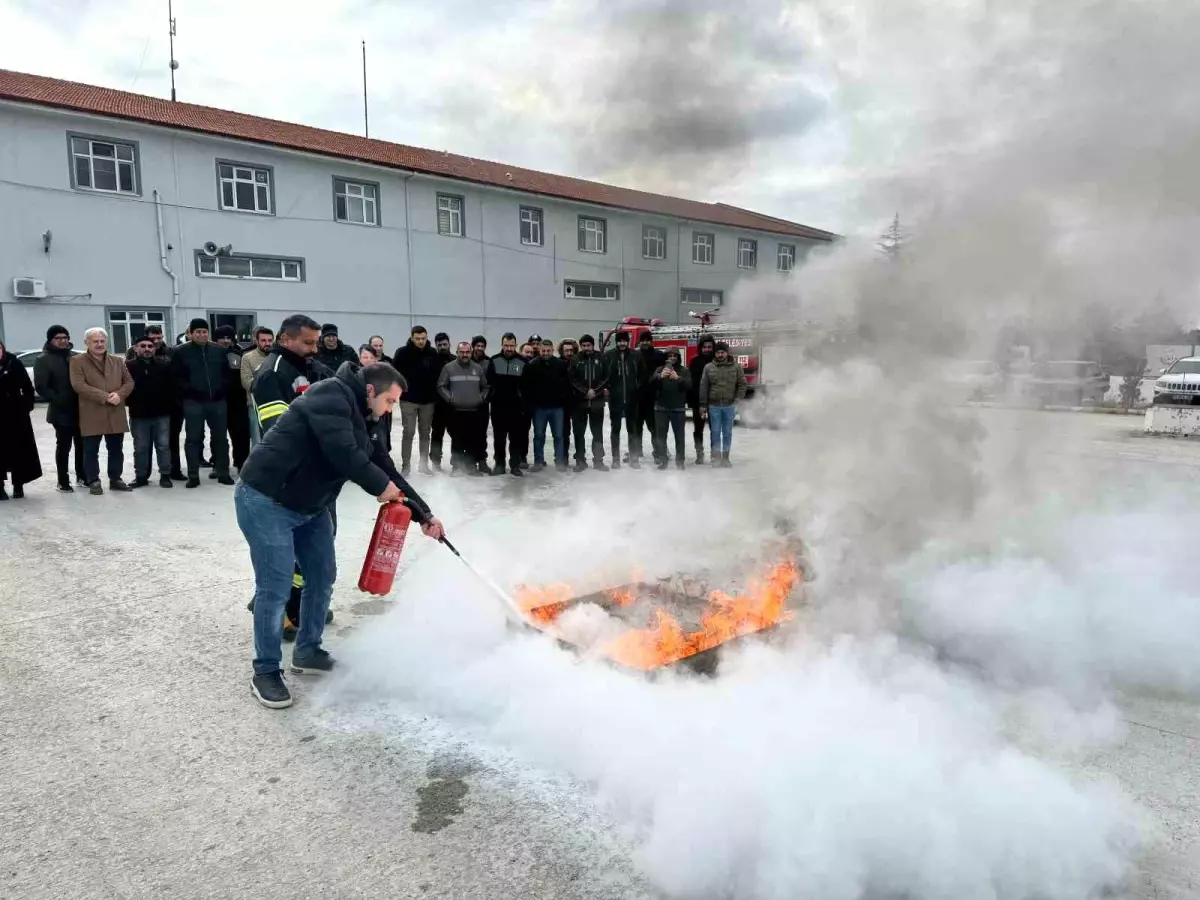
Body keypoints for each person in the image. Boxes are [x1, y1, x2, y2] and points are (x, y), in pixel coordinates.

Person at [237, 361, 445, 709]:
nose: (390, 409)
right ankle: (266, 670)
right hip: (267, 498)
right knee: (275, 587)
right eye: (390, 401)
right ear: (370, 391)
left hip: (311, 504)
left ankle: (307, 651)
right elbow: (343, 454)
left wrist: (423, 514)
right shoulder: (329, 396)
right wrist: (381, 488)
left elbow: (384, 467)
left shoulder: (368, 416)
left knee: (321, 577)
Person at [250, 314, 332, 640]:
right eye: (307, 343)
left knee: (316, 549)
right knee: (290, 554)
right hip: (285, 479)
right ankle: (285, 611)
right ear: (286, 339)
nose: (314, 349)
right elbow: (279, 433)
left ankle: (303, 604)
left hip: (316, 478)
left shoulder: (308, 368)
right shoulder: (271, 376)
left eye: (316, 342)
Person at [69, 327, 134, 494]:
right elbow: (78, 385)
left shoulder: (118, 361)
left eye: (102, 341)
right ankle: (93, 480)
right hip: (92, 411)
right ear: (86, 343)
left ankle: (115, 479)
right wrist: (105, 396)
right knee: (91, 450)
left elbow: (129, 382)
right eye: (95, 341)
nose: (99, 344)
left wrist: (120, 394)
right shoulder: (77, 361)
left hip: (115, 411)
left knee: (116, 449)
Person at [172, 318, 233, 488]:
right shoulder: (180, 351)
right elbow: (176, 377)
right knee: (193, 439)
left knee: (221, 438)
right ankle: (193, 476)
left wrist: (222, 390)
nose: (201, 334)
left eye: (204, 331)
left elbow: (227, 374)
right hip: (194, 402)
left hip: (217, 402)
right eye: (197, 331)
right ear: (190, 333)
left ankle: (223, 472)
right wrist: (189, 392)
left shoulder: (219, 350)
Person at [33, 325, 87, 491]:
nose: (63, 341)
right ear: (51, 340)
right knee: (64, 446)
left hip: (81, 409)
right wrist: (59, 400)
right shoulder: (44, 359)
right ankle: (63, 481)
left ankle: (82, 476)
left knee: (82, 445)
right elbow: (42, 387)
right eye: (58, 338)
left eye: (65, 337)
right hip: (61, 411)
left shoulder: (76, 357)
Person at [125, 335, 178, 488]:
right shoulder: (128, 367)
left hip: (161, 415)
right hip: (139, 415)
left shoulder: (163, 366)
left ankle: (165, 475)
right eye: (143, 346)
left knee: (163, 446)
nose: (147, 349)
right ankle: (141, 477)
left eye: (150, 346)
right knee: (141, 448)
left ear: (154, 349)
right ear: (135, 348)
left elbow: (172, 389)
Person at [392, 325, 442, 476]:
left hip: (428, 401)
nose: (421, 341)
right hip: (408, 399)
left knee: (425, 433)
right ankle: (406, 465)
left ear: (427, 338)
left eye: (423, 338)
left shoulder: (432, 353)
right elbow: (395, 374)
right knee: (409, 431)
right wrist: (400, 392)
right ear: (412, 337)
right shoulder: (402, 353)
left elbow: (437, 374)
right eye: (417, 338)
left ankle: (423, 464)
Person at [437, 341, 490, 475]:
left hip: (474, 411)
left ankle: (471, 466)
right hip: (456, 411)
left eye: (467, 352)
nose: (465, 354)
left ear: (470, 352)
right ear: (457, 353)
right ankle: (457, 467)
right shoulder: (448, 368)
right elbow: (441, 386)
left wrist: (481, 398)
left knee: (473, 439)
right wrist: (450, 399)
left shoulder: (477, 368)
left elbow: (486, 387)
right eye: (462, 352)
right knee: (457, 440)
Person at [0, 339, 42, 500]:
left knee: (18, 449)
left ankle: (18, 485)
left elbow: (27, 386)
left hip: (15, 413)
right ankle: (0, 487)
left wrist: (26, 405)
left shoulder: (13, 363)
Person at [522, 339, 570, 472]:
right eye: (543, 351)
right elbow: (526, 387)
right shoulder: (532, 365)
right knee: (539, 435)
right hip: (539, 408)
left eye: (548, 351)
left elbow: (566, 385)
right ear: (540, 350)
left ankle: (559, 461)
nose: (546, 353)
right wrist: (530, 404)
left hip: (557, 408)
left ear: (553, 350)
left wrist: (563, 400)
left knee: (559, 436)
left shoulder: (561, 365)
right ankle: (538, 461)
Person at [698, 341, 748, 468]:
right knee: (715, 432)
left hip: (729, 406)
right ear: (715, 353)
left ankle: (726, 458)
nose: (720, 355)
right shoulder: (708, 367)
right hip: (713, 406)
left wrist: (737, 401)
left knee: (727, 433)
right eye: (718, 352)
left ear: (727, 352)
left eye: (722, 352)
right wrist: (703, 405)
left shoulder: (736, 367)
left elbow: (742, 385)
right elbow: (703, 386)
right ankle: (716, 458)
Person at [485, 333, 529, 477]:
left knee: (516, 438)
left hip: (517, 408)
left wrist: (524, 403)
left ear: (516, 345)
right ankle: (499, 464)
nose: (509, 348)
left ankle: (515, 465)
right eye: (506, 345)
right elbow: (488, 383)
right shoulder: (494, 360)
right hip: (499, 407)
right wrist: (491, 397)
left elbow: (528, 385)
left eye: (511, 345)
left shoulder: (522, 362)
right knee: (499, 438)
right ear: (502, 345)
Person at [603, 331, 646, 469]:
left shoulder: (636, 355)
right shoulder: (609, 355)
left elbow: (643, 375)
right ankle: (616, 459)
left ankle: (634, 458)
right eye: (619, 341)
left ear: (628, 342)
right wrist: (607, 389)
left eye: (624, 341)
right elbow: (604, 375)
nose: (622, 343)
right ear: (616, 342)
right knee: (615, 429)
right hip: (615, 399)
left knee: (632, 429)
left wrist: (637, 389)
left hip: (632, 398)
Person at [568, 334, 610, 472]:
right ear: (581, 347)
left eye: (589, 345)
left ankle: (598, 460)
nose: (586, 348)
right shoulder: (575, 359)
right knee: (579, 433)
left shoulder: (601, 358)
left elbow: (606, 377)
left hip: (597, 402)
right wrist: (585, 391)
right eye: (584, 346)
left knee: (597, 433)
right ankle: (580, 461)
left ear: (593, 345)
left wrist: (596, 391)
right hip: (579, 403)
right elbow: (572, 379)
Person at [214, 325, 250, 474]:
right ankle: (218, 465)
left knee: (241, 435)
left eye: (228, 337)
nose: (225, 341)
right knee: (218, 436)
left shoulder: (240, 354)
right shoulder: (211, 354)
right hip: (217, 401)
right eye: (222, 338)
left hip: (238, 401)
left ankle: (242, 463)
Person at [651, 348, 692, 470]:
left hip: (678, 409)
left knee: (679, 437)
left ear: (678, 357)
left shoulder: (684, 370)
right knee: (660, 437)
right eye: (669, 356)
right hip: (661, 409)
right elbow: (651, 384)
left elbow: (689, 386)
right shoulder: (659, 369)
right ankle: (663, 460)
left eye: (675, 355)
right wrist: (659, 377)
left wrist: (678, 378)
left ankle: (680, 462)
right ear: (666, 358)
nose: (672, 358)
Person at [240, 326, 274, 446]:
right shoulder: (248, 357)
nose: (267, 343)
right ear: (257, 341)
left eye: (270, 341)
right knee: (258, 440)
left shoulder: (277, 357)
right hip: (256, 406)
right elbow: (246, 382)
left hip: (276, 405)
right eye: (263, 340)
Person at [635, 331, 666, 458]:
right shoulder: (634, 355)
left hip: (654, 397)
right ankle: (636, 451)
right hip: (637, 397)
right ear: (639, 341)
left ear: (651, 341)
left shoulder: (659, 355)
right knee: (637, 426)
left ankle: (658, 451)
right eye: (643, 340)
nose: (645, 342)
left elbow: (664, 373)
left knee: (654, 427)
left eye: (647, 340)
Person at [688, 335, 717, 465]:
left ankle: (714, 454)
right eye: (704, 347)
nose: (707, 349)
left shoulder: (717, 361)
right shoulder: (695, 362)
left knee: (714, 429)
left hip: (715, 402)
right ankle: (699, 453)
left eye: (709, 347)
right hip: (698, 402)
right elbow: (691, 383)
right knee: (698, 429)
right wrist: (693, 402)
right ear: (700, 348)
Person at [429, 332, 454, 471]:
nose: (442, 347)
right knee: (437, 434)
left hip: (453, 405)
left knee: (456, 434)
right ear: (436, 346)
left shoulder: (455, 360)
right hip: (437, 405)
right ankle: (435, 461)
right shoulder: (432, 361)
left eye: (445, 344)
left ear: (449, 344)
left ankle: (457, 460)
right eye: (439, 345)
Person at [558, 339, 578, 464]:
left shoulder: (578, 362)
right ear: (562, 351)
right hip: (562, 403)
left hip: (577, 402)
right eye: (566, 350)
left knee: (578, 431)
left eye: (571, 350)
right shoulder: (557, 364)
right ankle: (563, 457)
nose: (569, 352)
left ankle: (580, 456)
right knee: (564, 433)